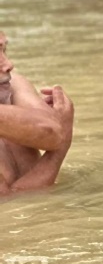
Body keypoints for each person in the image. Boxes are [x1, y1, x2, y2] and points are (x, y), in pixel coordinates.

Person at [0, 32, 74, 193]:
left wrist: (63, 129)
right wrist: (60, 148)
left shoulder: (14, 84)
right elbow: (17, 200)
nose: (8, 64)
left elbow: (52, 132)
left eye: (4, 50)